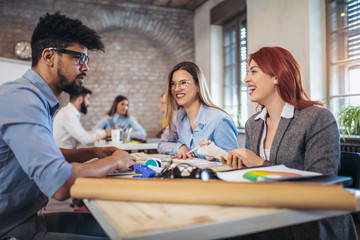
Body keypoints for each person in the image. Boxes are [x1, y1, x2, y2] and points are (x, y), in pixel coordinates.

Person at [0, 12, 136, 240]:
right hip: (10, 231)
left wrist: (92, 152)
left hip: (26, 220)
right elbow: (60, 184)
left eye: (86, 60)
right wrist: (115, 161)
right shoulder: (22, 99)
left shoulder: (34, 98)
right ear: (49, 56)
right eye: (78, 58)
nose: (86, 68)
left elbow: (46, 155)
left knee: (119, 229)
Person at [220, 47, 357, 239]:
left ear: (276, 76)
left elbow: (320, 182)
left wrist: (260, 164)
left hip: (309, 225)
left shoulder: (317, 118)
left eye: (253, 71)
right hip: (267, 217)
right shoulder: (253, 124)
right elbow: (255, 179)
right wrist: (240, 167)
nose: (246, 79)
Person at [157, 61, 239, 159]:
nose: (177, 89)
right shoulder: (178, 117)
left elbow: (235, 161)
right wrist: (180, 147)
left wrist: (214, 156)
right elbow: (162, 144)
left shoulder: (219, 119)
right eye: (173, 84)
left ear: (198, 86)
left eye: (183, 83)